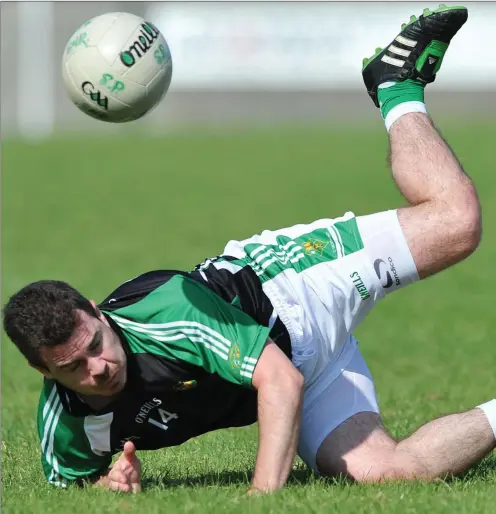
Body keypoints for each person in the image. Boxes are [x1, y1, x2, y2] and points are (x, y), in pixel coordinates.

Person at [3, 5, 495, 495]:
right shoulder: (63, 420)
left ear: (96, 312)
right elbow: (70, 488)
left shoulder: (168, 312)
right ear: (42, 371)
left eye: (94, 344)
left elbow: (278, 381)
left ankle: (396, 85)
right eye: (73, 368)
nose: (98, 367)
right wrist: (109, 484)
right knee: (387, 472)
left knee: (458, 224)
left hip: (295, 286)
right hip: (300, 370)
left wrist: (260, 500)